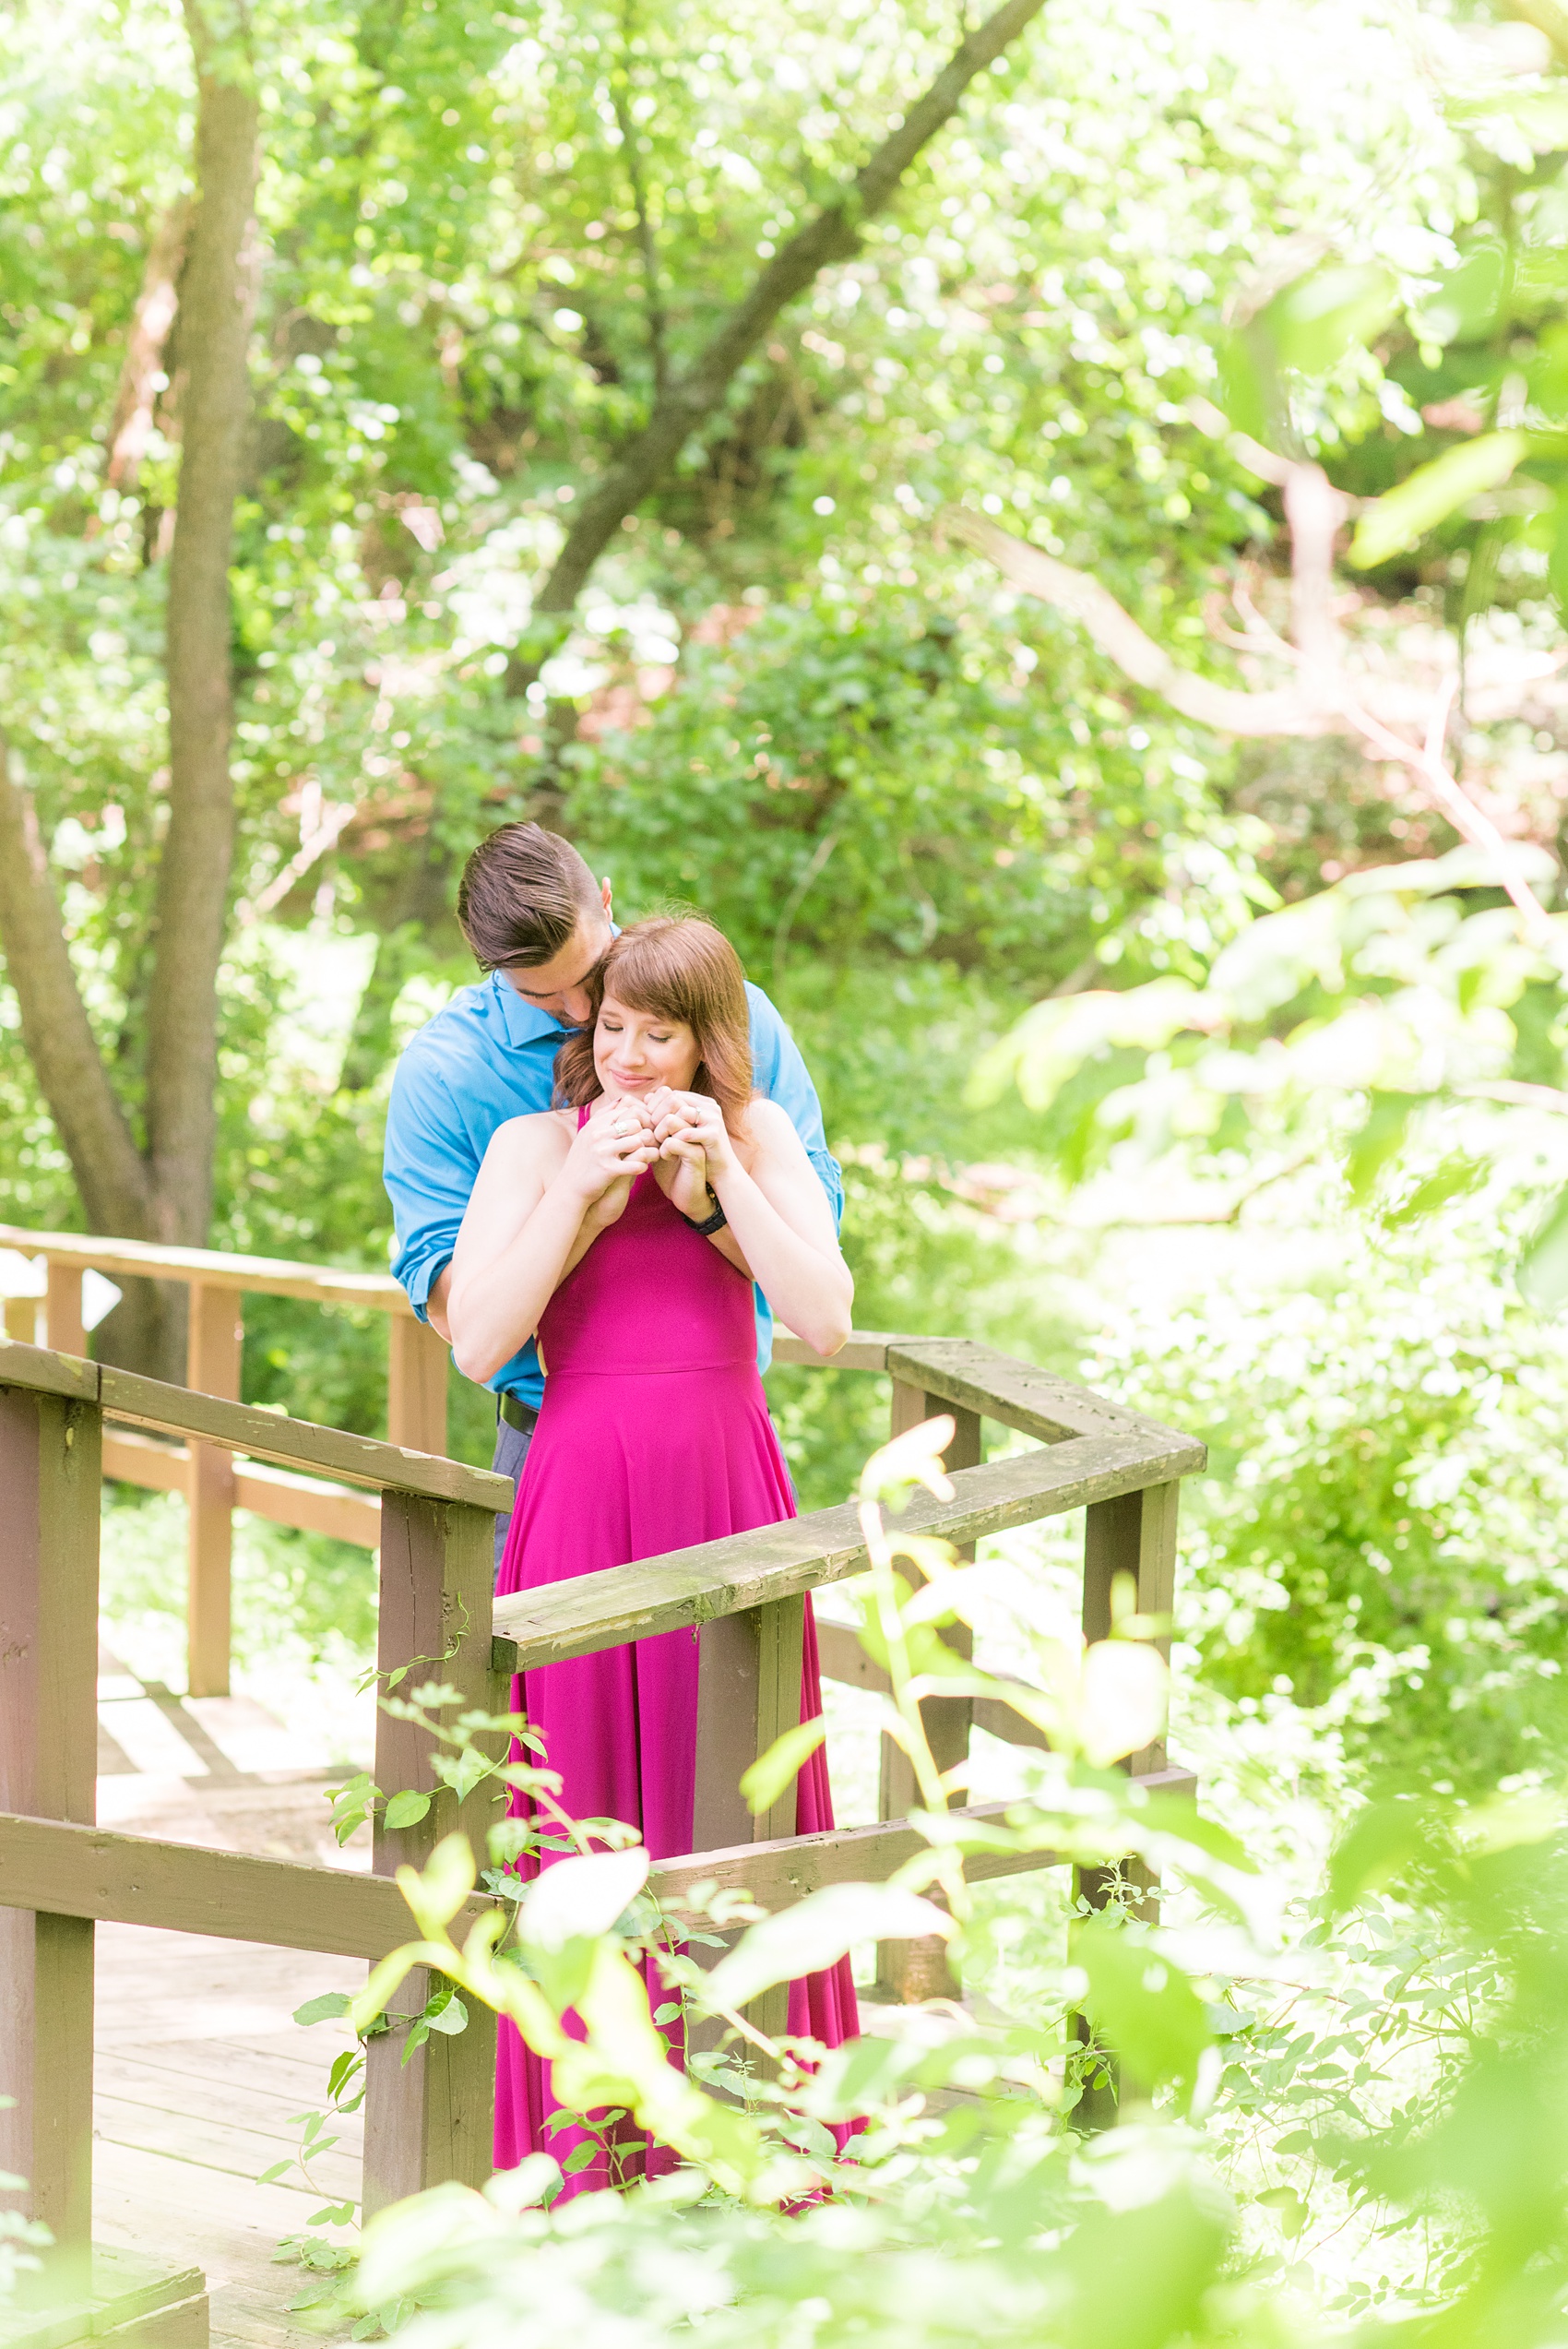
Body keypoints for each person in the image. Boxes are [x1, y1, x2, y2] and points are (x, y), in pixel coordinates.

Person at [446, 913, 860, 2187]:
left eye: (657, 1034)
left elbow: (828, 1319)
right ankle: (587, 2124)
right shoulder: (531, 1144)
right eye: (611, 1025)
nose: (626, 1054)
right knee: (578, 1788)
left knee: (728, 1778)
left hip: (723, 1474)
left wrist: (714, 1188)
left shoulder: (762, 1134)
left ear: (707, 1041)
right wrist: (581, 1189)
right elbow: (476, 1344)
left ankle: (749, 2115)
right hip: (580, 1477)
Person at [383, 823, 841, 1560]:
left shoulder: (731, 1009)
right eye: (544, 995)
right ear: (493, 967)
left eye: (587, 978)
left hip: (720, 1442)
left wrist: (707, 1205)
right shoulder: (448, 1072)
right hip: (552, 1444)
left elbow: (812, 1252)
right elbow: (452, 1309)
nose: (579, 1013)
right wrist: (582, 1207)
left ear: (604, 900)